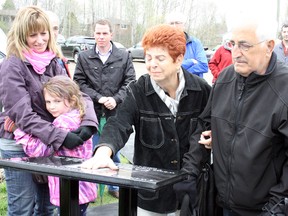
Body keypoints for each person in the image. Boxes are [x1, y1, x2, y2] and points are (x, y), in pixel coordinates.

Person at [81, 24, 211, 215]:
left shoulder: (202, 91)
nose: (152, 64)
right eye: (148, 58)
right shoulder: (137, 90)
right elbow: (118, 123)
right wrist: (103, 151)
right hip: (151, 196)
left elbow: (212, 126)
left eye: (160, 58)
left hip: (191, 191)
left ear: (179, 59)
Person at [176, 15, 288, 215]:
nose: (235, 53)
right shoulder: (225, 78)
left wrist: (276, 208)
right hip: (222, 204)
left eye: (244, 45)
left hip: (265, 209)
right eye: (232, 44)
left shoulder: (284, 89)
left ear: (269, 46)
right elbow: (203, 128)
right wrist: (190, 174)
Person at [0, 6, 98, 216]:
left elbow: (76, 94)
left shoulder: (53, 61)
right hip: (20, 143)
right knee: (22, 209)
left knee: (47, 206)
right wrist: (61, 137)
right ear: (21, 34)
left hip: (50, 143)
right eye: (32, 34)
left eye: (43, 33)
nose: (39, 40)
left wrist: (89, 123)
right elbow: (22, 114)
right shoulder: (12, 65)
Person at [12, 76, 97, 215]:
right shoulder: (80, 117)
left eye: (57, 101)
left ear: (72, 100)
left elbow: (39, 151)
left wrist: (19, 131)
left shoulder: (62, 122)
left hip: (67, 188)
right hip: (83, 187)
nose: (51, 106)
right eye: (48, 101)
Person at [73, 19, 136, 199]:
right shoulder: (84, 57)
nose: (101, 37)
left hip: (115, 110)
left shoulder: (123, 55)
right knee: (93, 147)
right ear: (94, 34)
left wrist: (116, 99)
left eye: (104, 33)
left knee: (112, 146)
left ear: (111, 34)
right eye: (98, 33)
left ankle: (113, 185)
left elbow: (130, 81)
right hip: (92, 110)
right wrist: (98, 97)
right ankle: (90, 187)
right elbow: (79, 82)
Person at [166, 12, 208, 78]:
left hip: (193, 85)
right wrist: (190, 62)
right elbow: (166, 67)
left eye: (177, 23)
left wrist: (181, 73)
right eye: (171, 23)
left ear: (184, 25)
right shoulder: (164, 44)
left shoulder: (195, 43)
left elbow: (203, 66)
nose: (174, 26)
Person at [45, 10, 71, 77]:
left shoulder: (58, 56)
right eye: (49, 28)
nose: (53, 33)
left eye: (55, 28)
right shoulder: (33, 59)